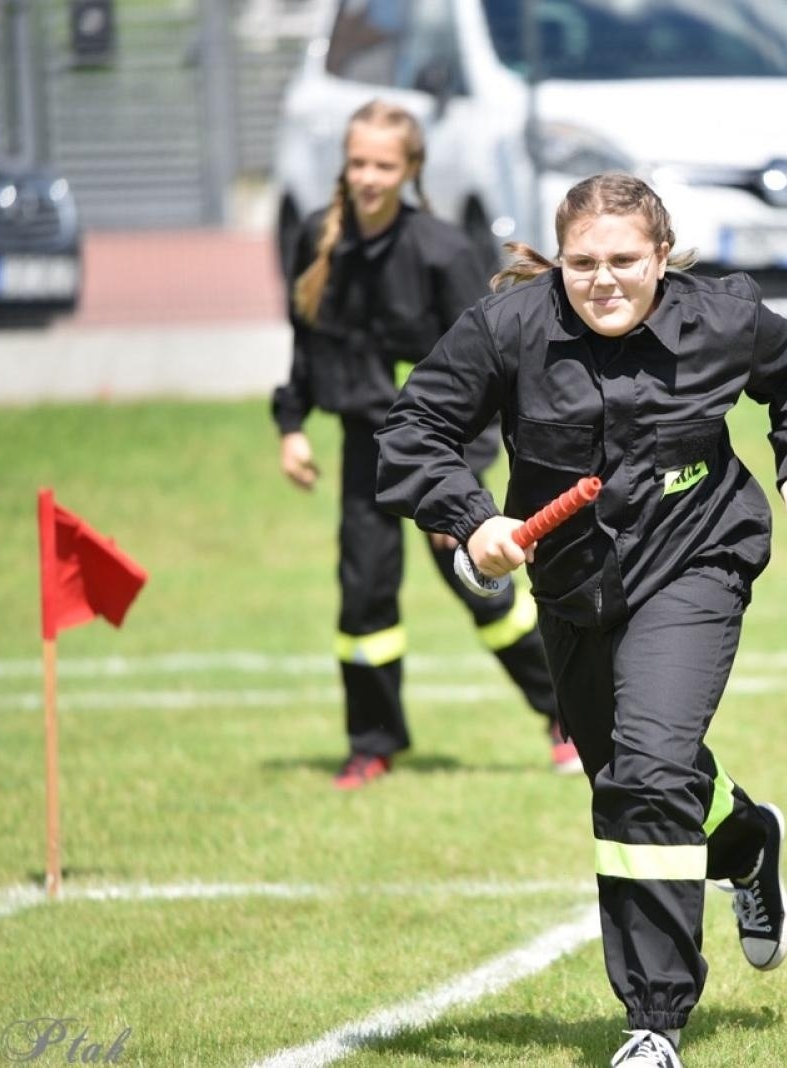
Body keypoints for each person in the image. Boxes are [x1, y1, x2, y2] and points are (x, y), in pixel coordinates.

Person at [375, 172, 787, 1066]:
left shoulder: (721, 321)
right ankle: (743, 839)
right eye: (583, 262)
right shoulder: (507, 330)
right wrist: (476, 521)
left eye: (625, 260)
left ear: (661, 259)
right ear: (558, 262)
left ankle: (653, 1022)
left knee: (645, 775)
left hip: (696, 563)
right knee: (627, 775)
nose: (604, 280)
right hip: (573, 588)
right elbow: (413, 432)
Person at [271, 99, 579, 789]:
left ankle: (565, 716)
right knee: (363, 601)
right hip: (365, 451)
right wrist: (292, 426)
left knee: (484, 591)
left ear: (411, 169)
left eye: (384, 164)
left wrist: (462, 493)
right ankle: (372, 742)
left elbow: (489, 371)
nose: (369, 177)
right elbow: (306, 343)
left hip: (443, 455)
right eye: (357, 163)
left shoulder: (442, 250)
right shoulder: (320, 237)